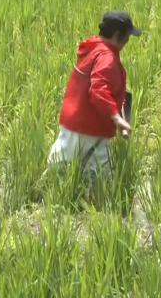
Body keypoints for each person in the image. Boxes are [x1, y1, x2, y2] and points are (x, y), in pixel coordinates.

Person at [46, 10, 140, 178]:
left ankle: (35, 198)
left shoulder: (93, 47)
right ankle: (101, 204)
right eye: (127, 35)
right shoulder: (107, 59)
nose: (128, 40)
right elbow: (98, 89)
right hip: (91, 128)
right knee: (102, 177)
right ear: (118, 35)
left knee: (58, 168)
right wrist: (117, 119)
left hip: (71, 121)